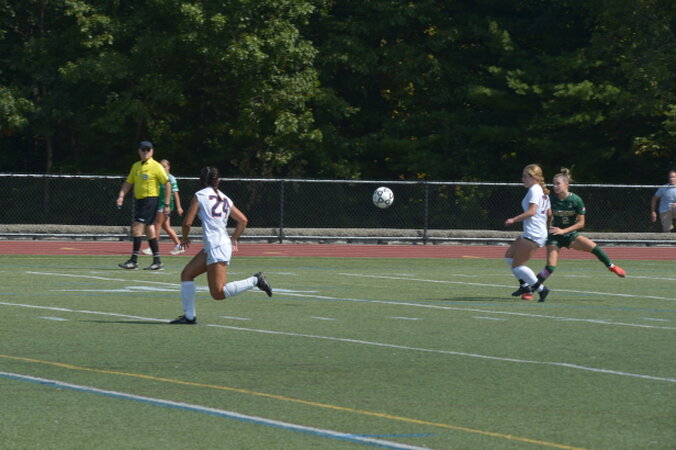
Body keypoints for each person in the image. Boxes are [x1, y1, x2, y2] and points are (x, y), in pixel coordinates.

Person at [170, 166, 272, 324]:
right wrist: (234, 239)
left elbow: (187, 223)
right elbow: (243, 220)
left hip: (216, 246)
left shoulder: (200, 195)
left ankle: (255, 280)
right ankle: (189, 316)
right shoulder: (225, 198)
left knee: (218, 293)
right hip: (217, 245)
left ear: (201, 180)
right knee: (187, 274)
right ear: (218, 180)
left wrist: (184, 239)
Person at [515, 168, 626, 296]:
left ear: (566, 184)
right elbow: (546, 215)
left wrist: (564, 231)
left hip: (570, 235)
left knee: (595, 248)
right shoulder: (551, 199)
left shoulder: (576, 200)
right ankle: (530, 291)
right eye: (553, 184)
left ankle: (611, 266)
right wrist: (547, 229)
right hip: (554, 237)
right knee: (550, 267)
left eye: (558, 183)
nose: (555, 186)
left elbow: (581, 223)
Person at [116, 141, 172, 270]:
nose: (145, 152)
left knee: (137, 228)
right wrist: (121, 196)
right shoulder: (136, 166)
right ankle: (157, 261)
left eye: (148, 150)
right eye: (143, 149)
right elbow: (128, 182)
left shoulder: (156, 166)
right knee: (149, 229)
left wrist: (167, 203)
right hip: (140, 201)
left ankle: (134, 260)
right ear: (139, 151)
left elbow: (167, 183)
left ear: (152, 151)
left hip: (150, 200)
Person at [504, 164, 551, 302]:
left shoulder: (534, 190)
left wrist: (513, 219)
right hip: (533, 231)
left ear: (534, 177)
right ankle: (524, 286)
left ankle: (541, 289)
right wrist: (546, 228)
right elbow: (549, 213)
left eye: (525, 176)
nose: (522, 179)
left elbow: (532, 212)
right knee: (509, 257)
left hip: (533, 233)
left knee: (517, 266)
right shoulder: (541, 191)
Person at [142, 159, 185, 256]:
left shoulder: (171, 178)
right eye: (160, 166)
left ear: (168, 167)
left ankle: (153, 248)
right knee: (166, 227)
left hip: (165, 205)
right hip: (159, 204)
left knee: (157, 225)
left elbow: (176, 193)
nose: (162, 168)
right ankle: (179, 246)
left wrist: (178, 207)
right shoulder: (158, 177)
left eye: (164, 166)